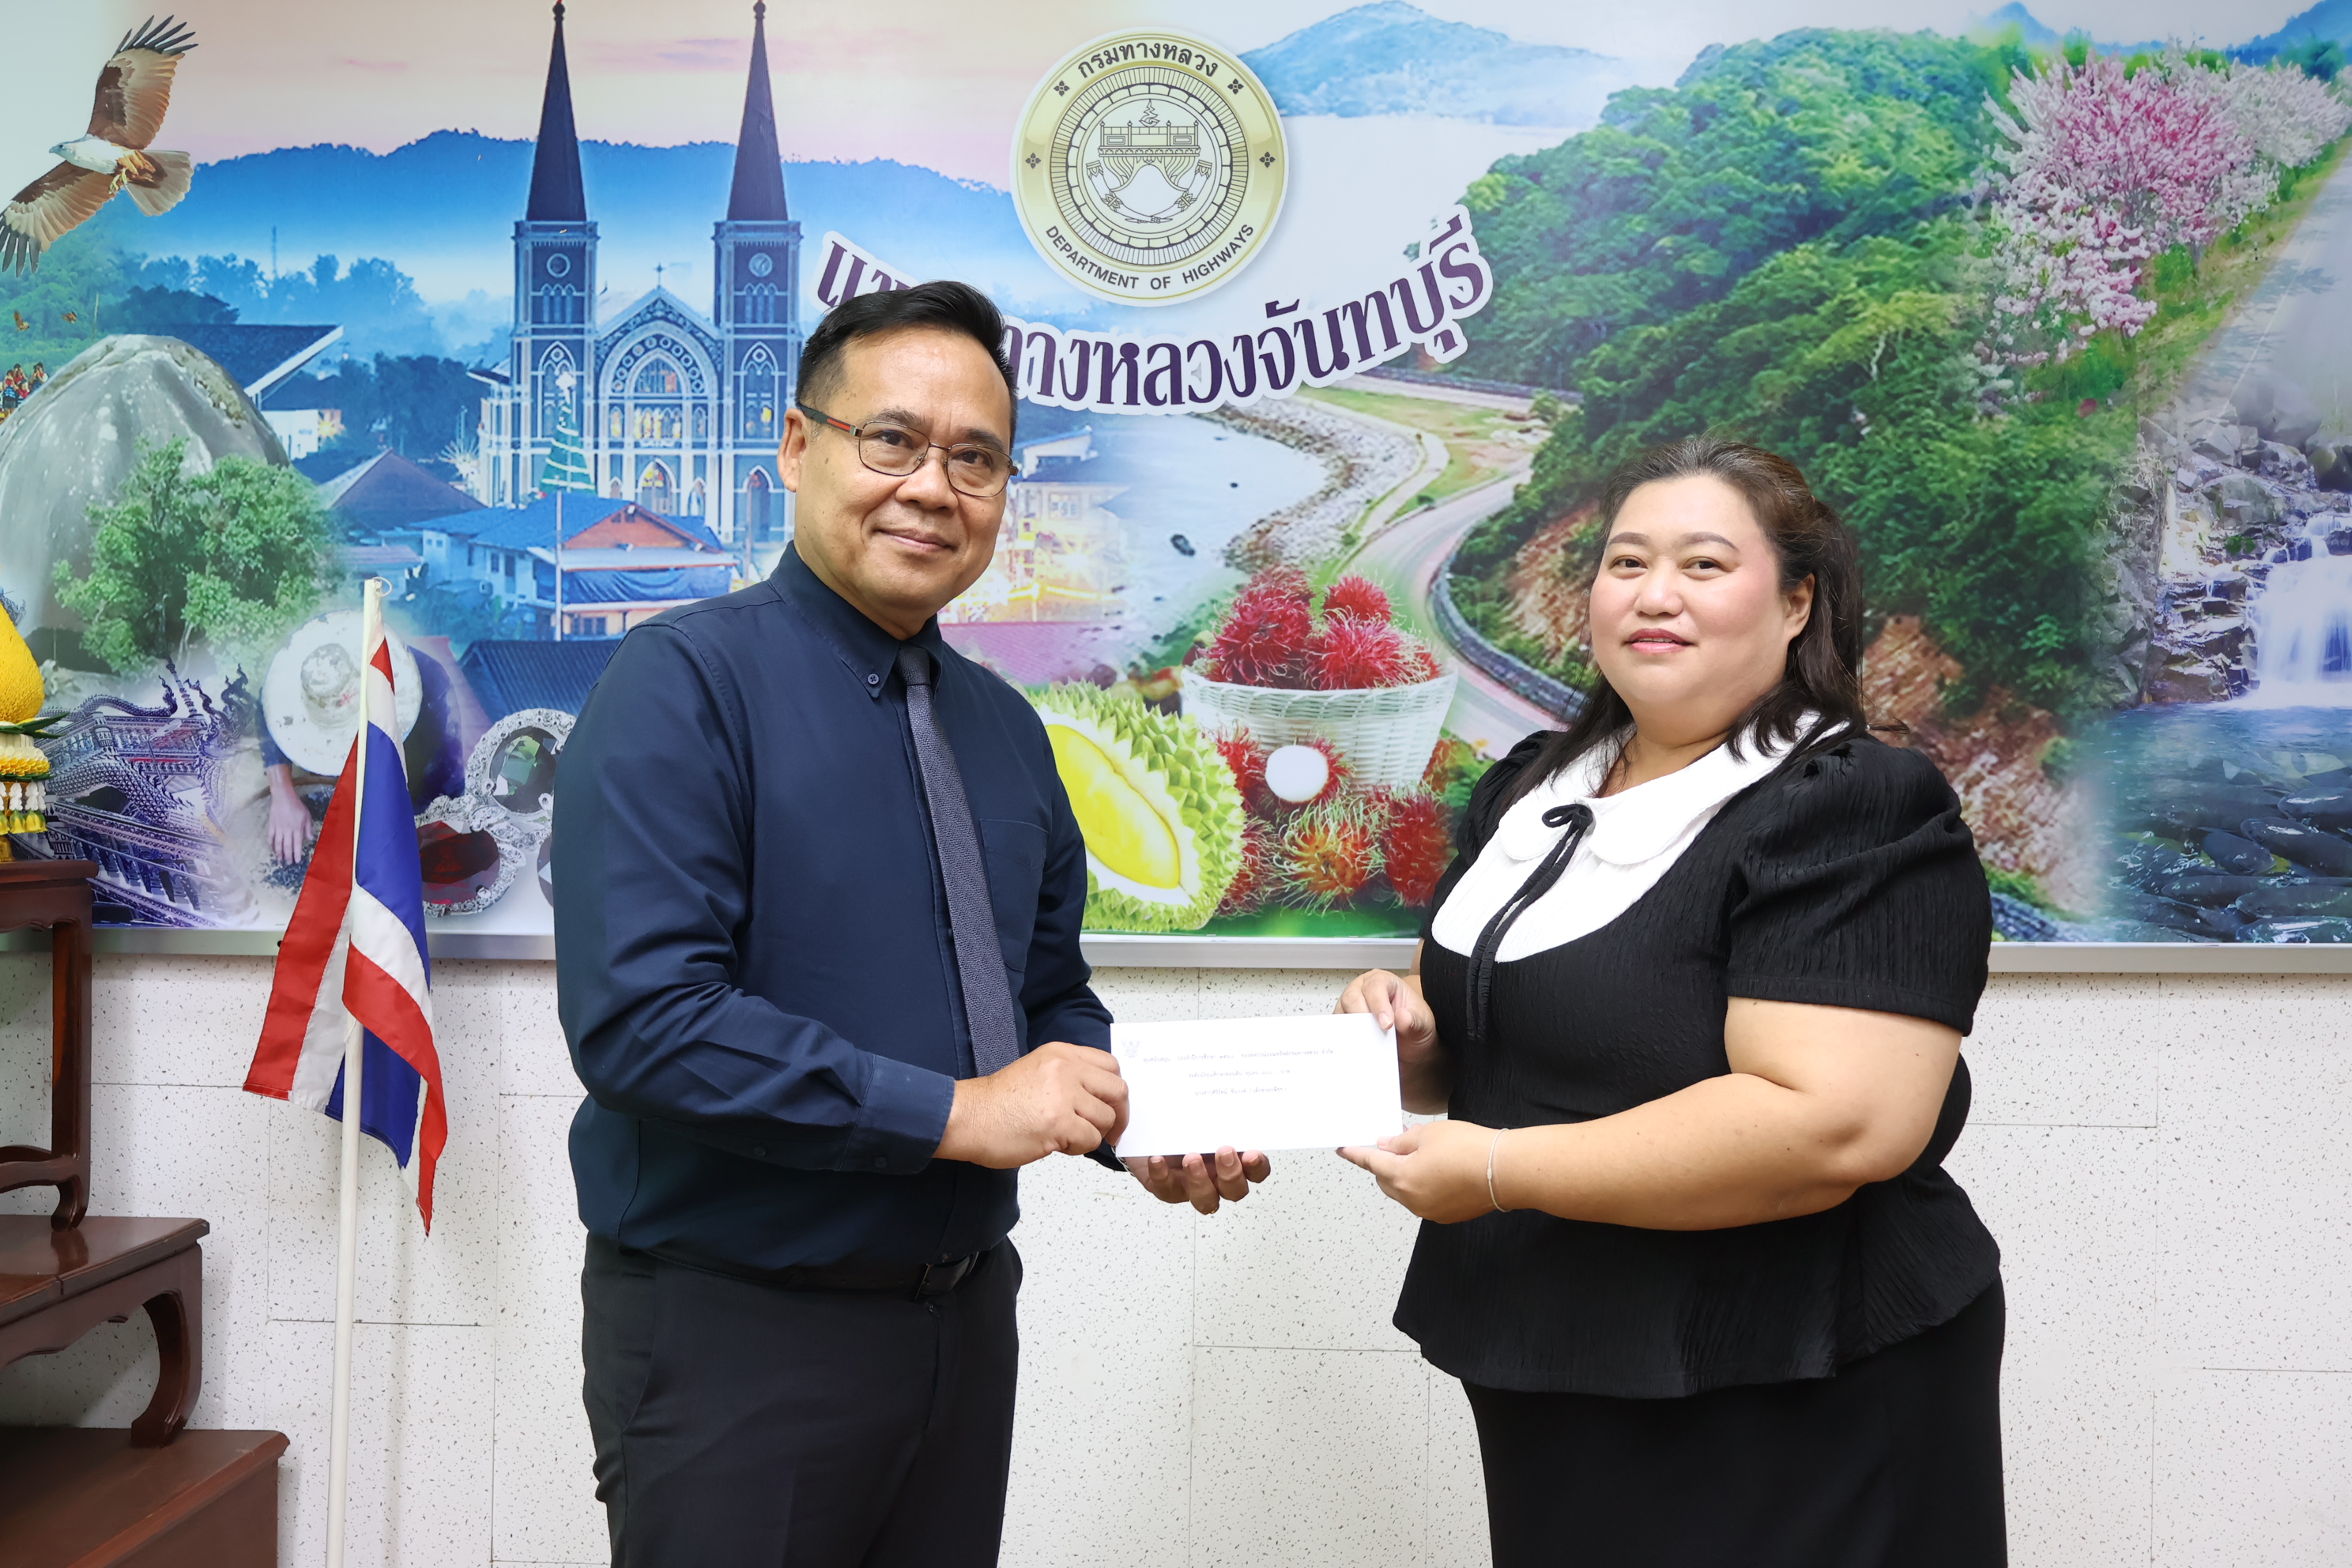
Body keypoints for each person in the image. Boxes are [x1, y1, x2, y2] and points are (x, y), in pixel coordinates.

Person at [553, 280, 1268, 1568]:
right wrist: (955, 1114)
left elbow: (1041, 997)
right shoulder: (683, 683)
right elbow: (646, 1025)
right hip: (737, 1340)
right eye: (892, 440)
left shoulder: (1003, 728)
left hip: (962, 1328)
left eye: (975, 459)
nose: (932, 488)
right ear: (797, 445)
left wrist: (1138, 1123)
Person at [1336, 437, 2002, 1567]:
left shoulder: (1851, 804)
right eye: (1627, 561)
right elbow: (1509, 1020)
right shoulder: (1534, 785)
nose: (1654, 595)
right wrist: (1403, 1026)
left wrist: (1493, 1169)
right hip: (1557, 1355)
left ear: (1798, 603)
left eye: (1703, 565)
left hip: (1792, 1372)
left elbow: (1836, 1125)